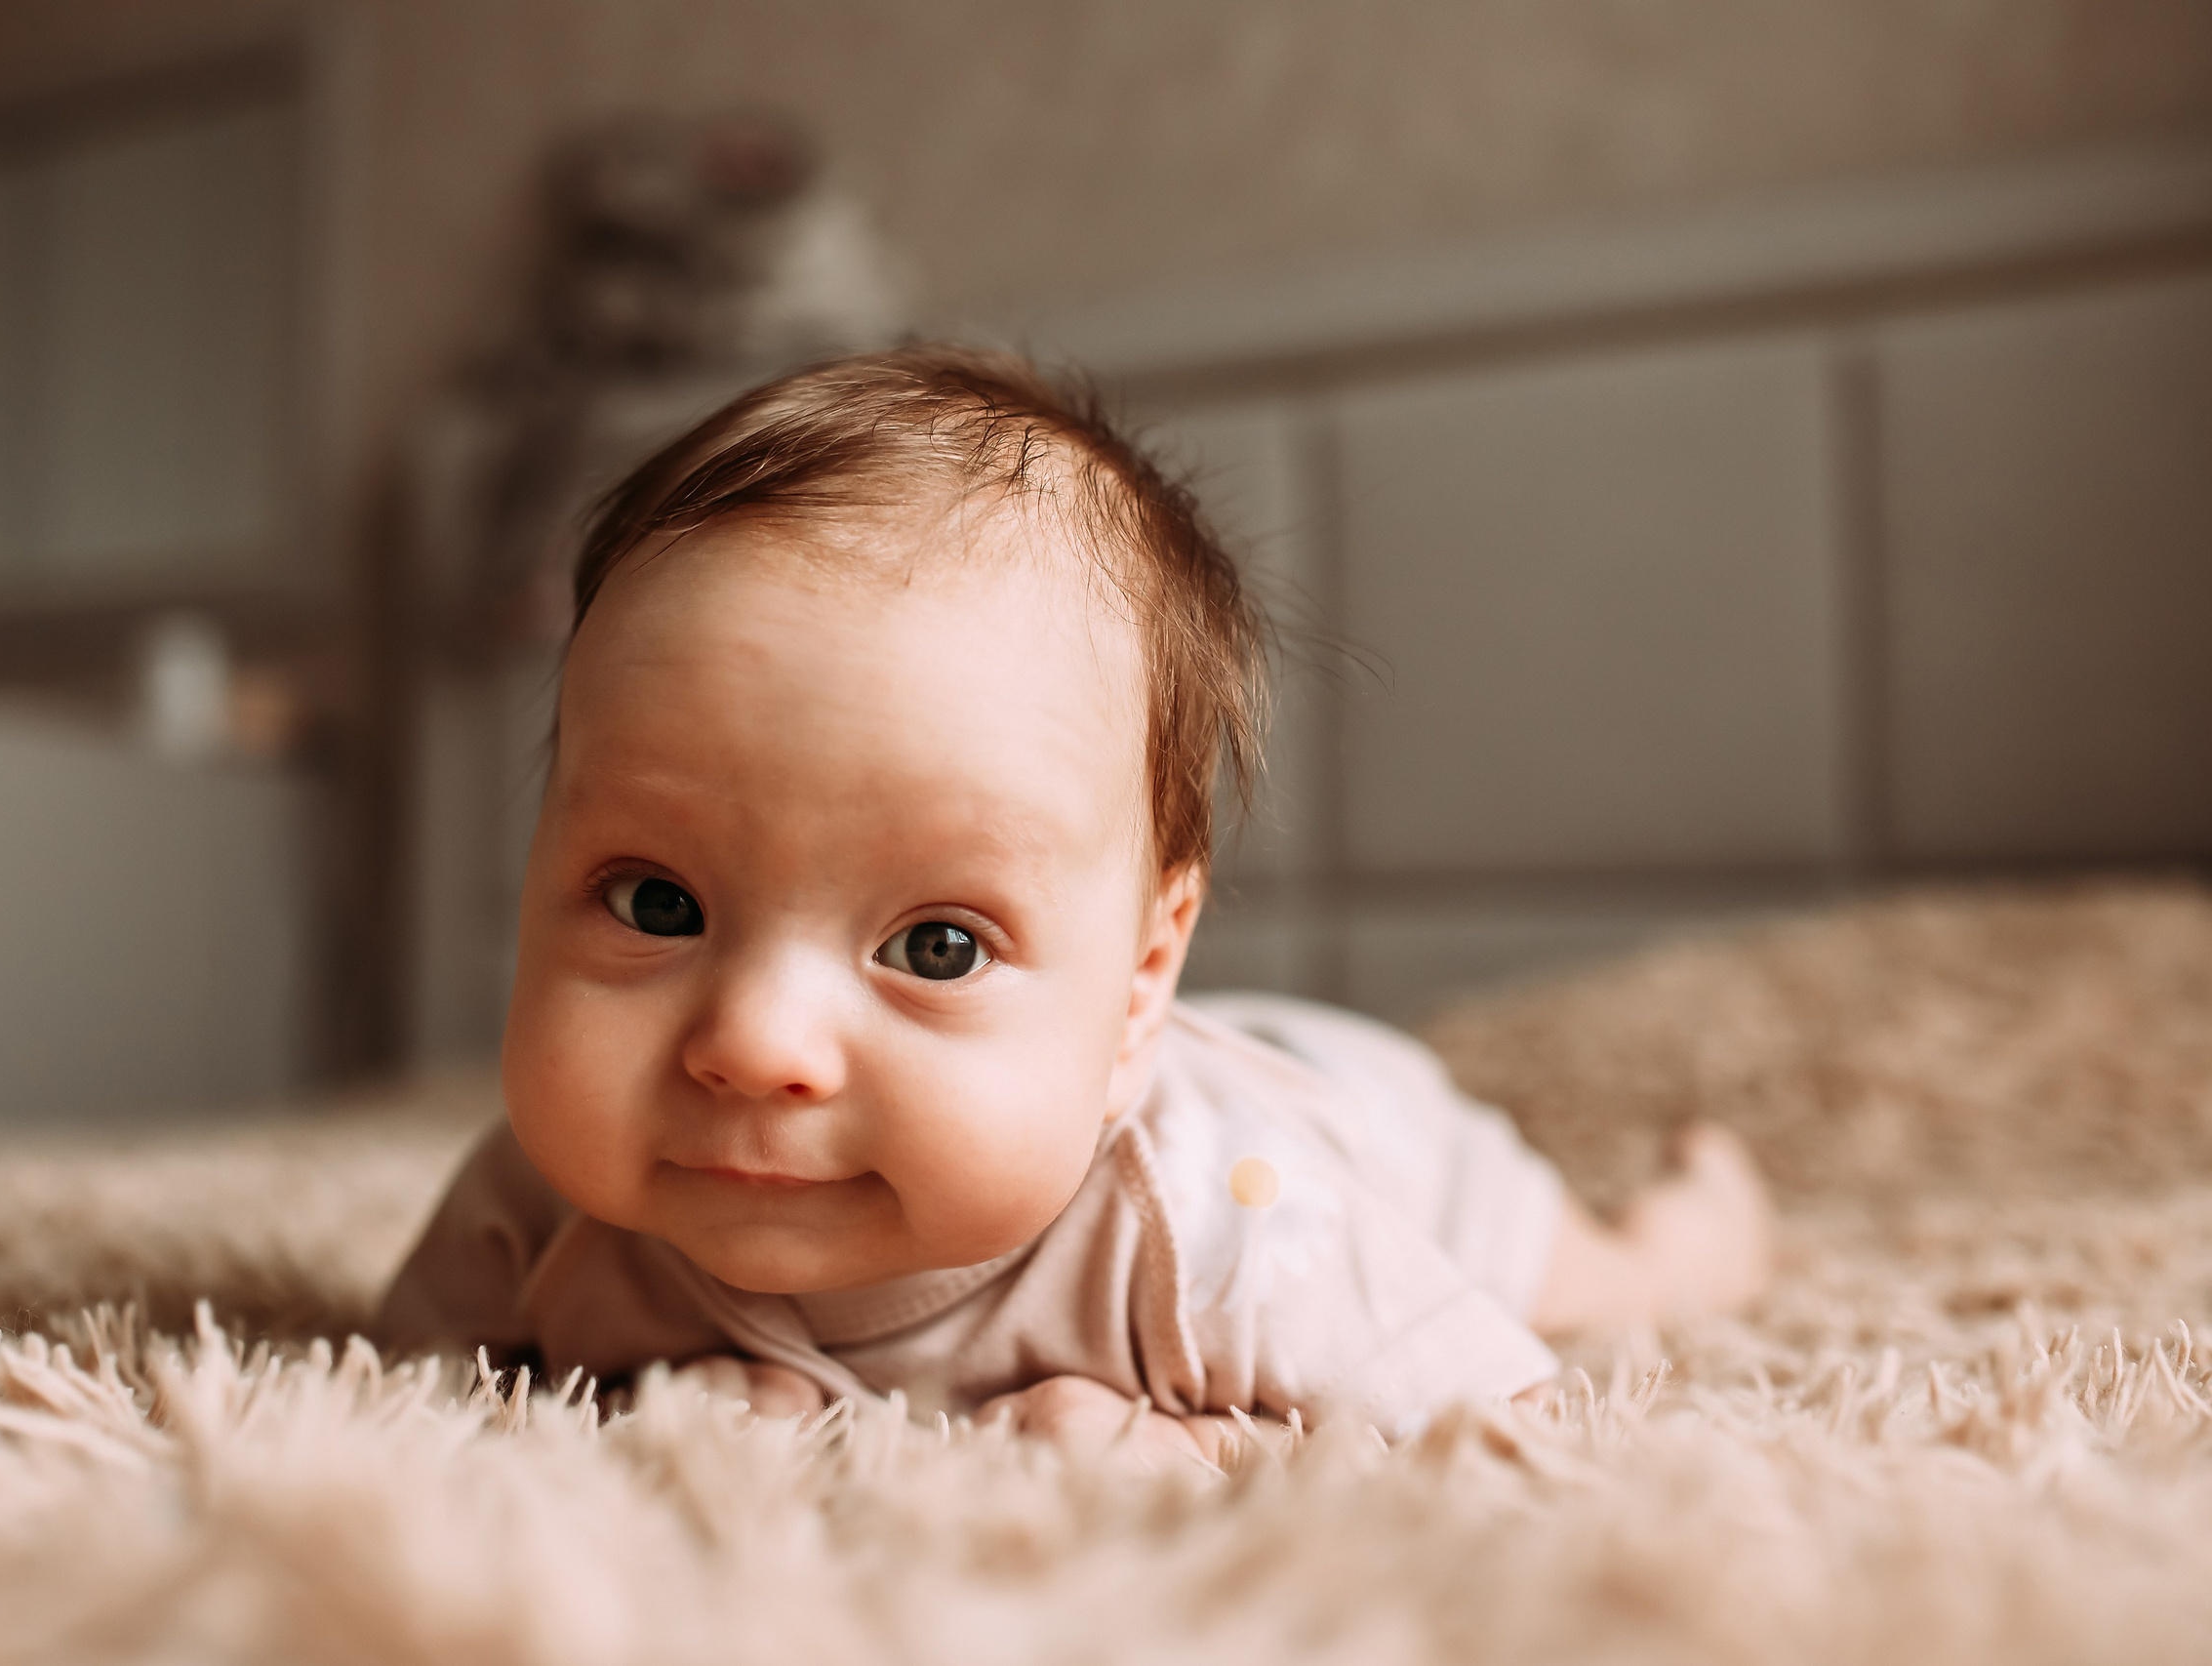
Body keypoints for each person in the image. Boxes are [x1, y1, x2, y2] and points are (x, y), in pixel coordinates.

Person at [379, 346, 1773, 1469]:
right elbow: (398, 1402)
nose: (752, 1042)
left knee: (1592, 1282)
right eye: (657, 902)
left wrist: (1214, 1451)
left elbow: (1503, 1443)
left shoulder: (1229, 1230)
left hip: (1366, 1128)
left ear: (1140, 977)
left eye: (936, 945)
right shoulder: (540, 1196)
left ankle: (1691, 1226)